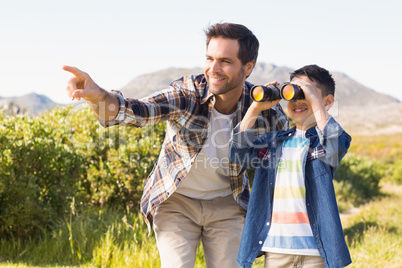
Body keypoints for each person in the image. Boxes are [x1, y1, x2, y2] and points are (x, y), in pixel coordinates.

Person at [63, 22, 288, 268]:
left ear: (248, 67)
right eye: (209, 58)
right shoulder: (187, 93)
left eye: (225, 61)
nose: (213, 68)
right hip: (176, 201)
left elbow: (292, 149)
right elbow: (136, 111)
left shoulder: (262, 107)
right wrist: (99, 97)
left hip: (228, 203)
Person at [229, 64, 352, 268]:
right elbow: (238, 155)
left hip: (315, 251)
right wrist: (255, 107)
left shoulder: (322, 144)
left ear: (327, 101)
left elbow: (335, 146)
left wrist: (313, 98)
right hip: (277, 249)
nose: (297, 100)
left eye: (305, 92)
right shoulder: (274, 142)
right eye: (293, 93)